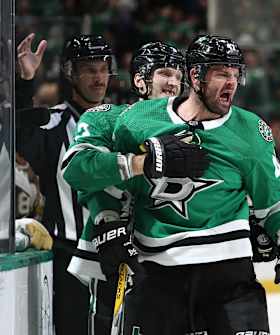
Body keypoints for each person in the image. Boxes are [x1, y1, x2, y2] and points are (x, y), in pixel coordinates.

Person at [108, 35, 280, 334]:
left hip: (228, 275)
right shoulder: (137, 121)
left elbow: (275, 203)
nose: (231, 82)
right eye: (221, 74)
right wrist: (109, 221)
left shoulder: (250, 131)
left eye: (235, 74)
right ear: (196, 76)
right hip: (158, 276)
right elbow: (115, 187)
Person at [61, 41, 208, 334]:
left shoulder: (195, 128)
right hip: (119, 260)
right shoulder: (107, 118)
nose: (174, 83)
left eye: (179, 76)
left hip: (179, 261)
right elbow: (77, 169)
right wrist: (107, 215)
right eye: (166, 73)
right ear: (140, 80)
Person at [16, 33, 116, 335]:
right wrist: (25, 82)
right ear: (71, 72)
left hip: (117, 254)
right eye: (89, 69)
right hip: (68, 258)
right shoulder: (54, 122)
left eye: (103, 69)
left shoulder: (122, 122)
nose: (99, 78)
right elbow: (20, 139)